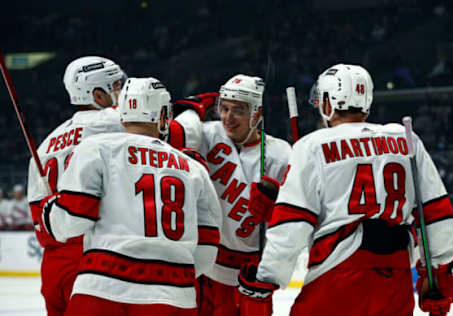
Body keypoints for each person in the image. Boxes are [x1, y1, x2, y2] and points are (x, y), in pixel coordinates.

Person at [237, 64, 453, 316]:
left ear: (327, 101)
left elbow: (292, 224)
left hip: (338, 275)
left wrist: (266, 279)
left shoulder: (312, 145)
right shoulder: (404, 137)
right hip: (394, 278)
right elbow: (436, 213)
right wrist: (440, 271)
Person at [41, 77, 222, 316]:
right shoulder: (193, 167)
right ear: (163, 114)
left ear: (123, 113)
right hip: (174, 295)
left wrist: (51, 211)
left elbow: (72, 222)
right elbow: (207, 250)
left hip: (103, 289)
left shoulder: (96, 148)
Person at [173, 74, 291, 315]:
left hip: (251, 273)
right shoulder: (205, 135)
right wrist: (194, 107)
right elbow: (171, 135)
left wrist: (274, 208)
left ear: (256, 114)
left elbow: (296, 214)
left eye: (238, 110)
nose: (228, 117)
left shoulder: (281, 154)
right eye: (223, 108)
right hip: (207, 264)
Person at [27, 56, 126, 315]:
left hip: (53, 266)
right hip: (95, 257)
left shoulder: (45, 146)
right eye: (116, 86)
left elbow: (39, 215)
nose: (123, 92)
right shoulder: (117, 122)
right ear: (98, 94)